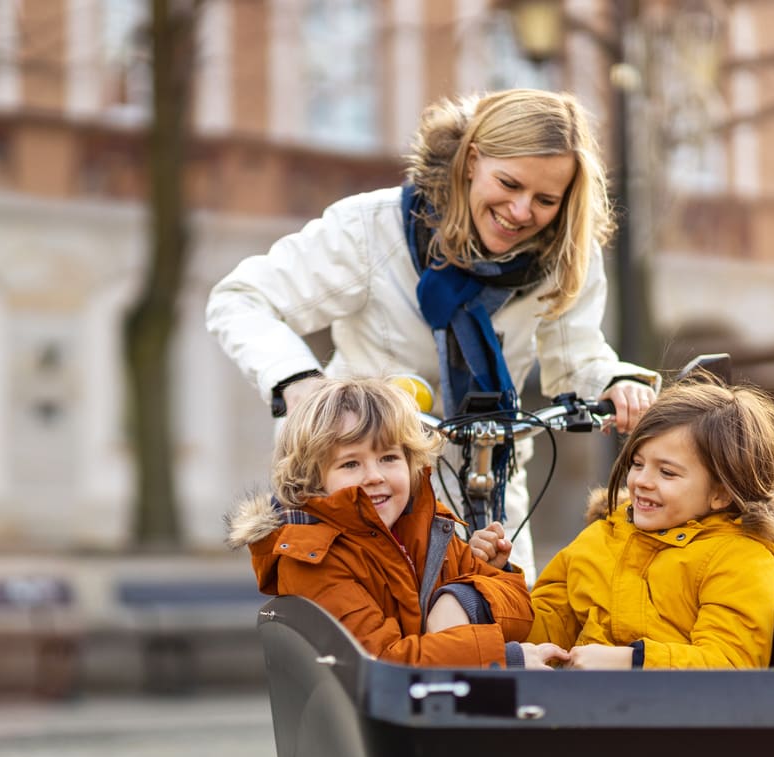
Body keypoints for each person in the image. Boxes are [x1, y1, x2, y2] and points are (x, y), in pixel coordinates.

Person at [206, 88, 660, 580]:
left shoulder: (567, 253)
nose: (521, 211)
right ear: (472, 161)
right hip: (369, 477)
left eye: (546, 200)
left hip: (490, 473)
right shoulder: (373, 229)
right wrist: (297, 381)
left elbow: (576, 358)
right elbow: (241, 298)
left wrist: (614, 382)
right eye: (508, 184)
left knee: (513, 609)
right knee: (370, 615)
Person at [225, 376, 569, 669]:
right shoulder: (313, 557)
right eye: (350, 464)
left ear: (410, 461)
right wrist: (505, 657)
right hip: (371, 720)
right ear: (314, 479)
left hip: (437, 708)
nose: (374, 476)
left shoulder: (427, 527)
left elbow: (521, 610)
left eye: (389, 457)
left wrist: (467, 596)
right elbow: (381, 661)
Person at [520, 377, 774, 669]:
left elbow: (729, 663)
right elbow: (543, 626)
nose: (642, 481)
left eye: (667, 473)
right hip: (582, 698)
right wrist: (500, 580)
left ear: (721, 493)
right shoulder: (601, 538)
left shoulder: (741, 559)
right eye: (637, 464)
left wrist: (631, 661)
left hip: (668, 702)